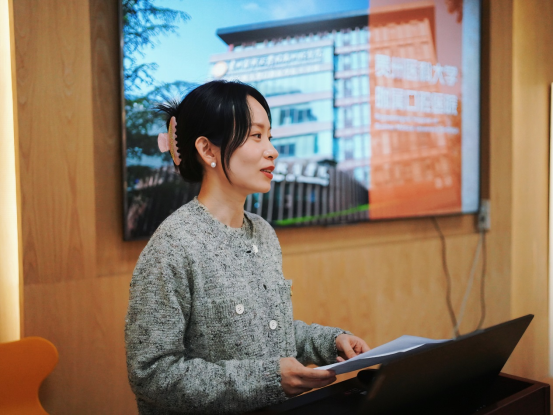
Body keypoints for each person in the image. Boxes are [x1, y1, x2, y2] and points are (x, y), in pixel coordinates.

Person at [125, 80, 369, 415]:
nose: (272, 150)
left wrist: (329, 342)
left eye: (270, 136)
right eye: (256, 135)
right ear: (207, 150)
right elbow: (152, 375)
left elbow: (268, 333)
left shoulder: (263, 232)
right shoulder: (173, 245)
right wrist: (268, 379)